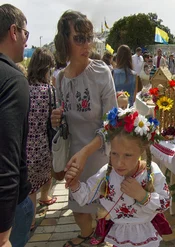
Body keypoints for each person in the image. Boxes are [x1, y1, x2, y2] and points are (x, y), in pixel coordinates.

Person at [51, 10, 118, 247]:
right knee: (79, 209)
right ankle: (88, 235)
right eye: (79, 38)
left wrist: (86, 153)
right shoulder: (59, 79)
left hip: (99, 154)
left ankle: (100, 238)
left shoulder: (102, 72)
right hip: (74, 155)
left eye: (88, 37)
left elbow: (112, 123)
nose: (87, 44)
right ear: (64, 41)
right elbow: (66, 119)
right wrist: (56, 119)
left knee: (102, 209)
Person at [65, 108, 171, 247]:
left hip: (145, 235)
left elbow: (165, 203)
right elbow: (85, 197)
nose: (119, 162)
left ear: (141, 151)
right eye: (114, 154)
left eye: (127, 155)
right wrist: (74, 185)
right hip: (118, 235)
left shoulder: (151, 173)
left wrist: (143, 196)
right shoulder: (107, 173)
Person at [0, 4, 35, 247]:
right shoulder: (13, 80)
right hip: (9, 208)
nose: (26, 40)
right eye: (25, 33)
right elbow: (6, 156)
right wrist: (3, 233)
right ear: (14, 31)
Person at [26, 48, 59, 230]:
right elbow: (54, 119)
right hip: (43, 143)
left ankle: (43, 200)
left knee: (31, 184)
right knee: (43, 176)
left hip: (24, 143)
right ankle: (31, 219)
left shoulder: (22, 86)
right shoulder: (49, 90)